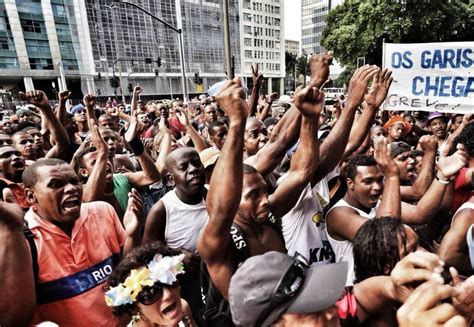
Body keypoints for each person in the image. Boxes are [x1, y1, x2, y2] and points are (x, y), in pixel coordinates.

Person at [20, 158, 143, 326]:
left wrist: (132, 235)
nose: (71, 189)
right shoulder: (22, 242)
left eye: (74, 181)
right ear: (30, 196)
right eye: (56, 184)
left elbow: (127, 272)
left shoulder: (103, 211)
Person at [105, 242, 196, 327]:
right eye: (151, 292)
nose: (168, 295)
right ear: (134, 309)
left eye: (170, 280)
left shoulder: (184, 308)